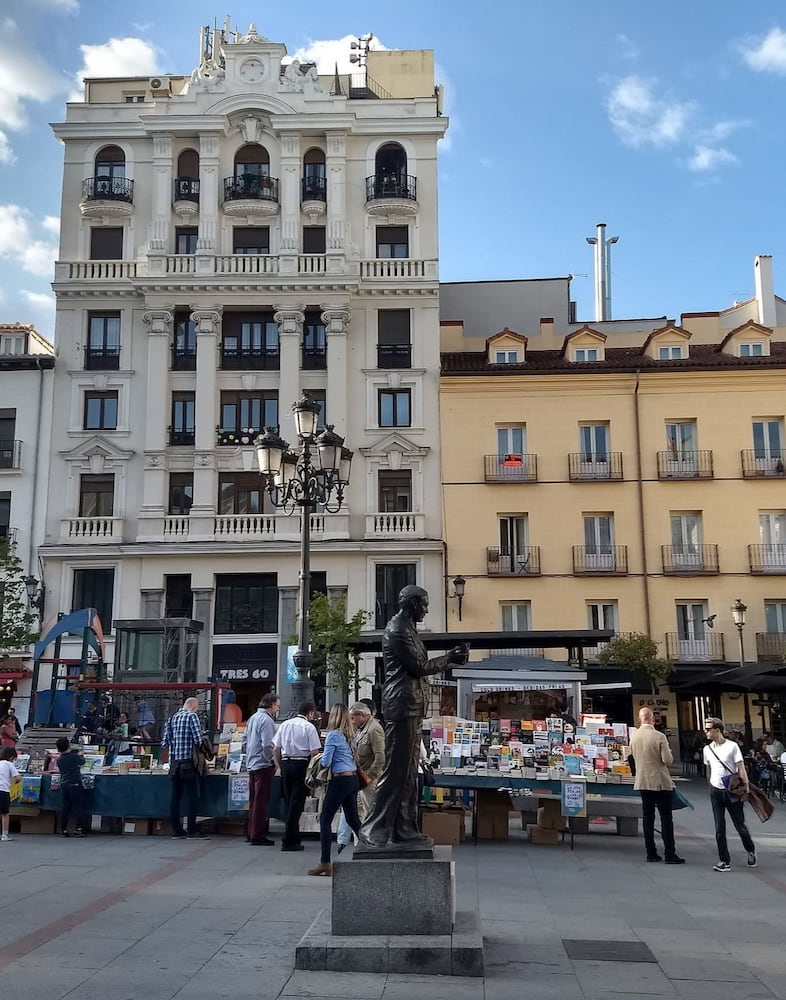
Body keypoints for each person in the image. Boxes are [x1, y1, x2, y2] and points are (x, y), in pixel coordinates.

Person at [359, 585, 467, 850]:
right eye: (424, 604)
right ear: (412, 604)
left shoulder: (408, 629)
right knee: (396, 770)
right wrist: (450, 658)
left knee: (408, 772)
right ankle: (374, 827)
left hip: (411, 705)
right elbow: (419, 667)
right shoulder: (397, 630)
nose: (427, 609)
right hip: (402, 705)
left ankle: (403, 829)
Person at [308, 704, 362, 877]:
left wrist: (320, 757)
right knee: (353, 819)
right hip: (353, 779)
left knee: (325, 819)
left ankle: (325, 862)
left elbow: (326, 762)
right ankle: (371, 848)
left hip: (340, 780)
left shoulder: (333, 735)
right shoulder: (350, 735)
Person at [629, 707, 684, 864]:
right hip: (660, 781)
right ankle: (669, 853)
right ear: (652, 719)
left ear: (640, 719)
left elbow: (632, 756)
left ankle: (650, 852)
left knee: (648, 817)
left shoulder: (634, 737)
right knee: (666, 817)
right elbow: (668, 760)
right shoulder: (659, 736)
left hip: (642, 780)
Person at [702, 717, 756, 872]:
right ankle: (724, 861)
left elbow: (741, 768)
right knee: (719, 827)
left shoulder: (732, 747)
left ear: (717, 730)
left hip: (732, 791)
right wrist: (710, 786)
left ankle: (750, 849)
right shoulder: (707, 749)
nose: (705, 732)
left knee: (740, 825)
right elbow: (709, 769)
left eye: (708, 729)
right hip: (716, 791)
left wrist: (745, 788)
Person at [336, 702, 386, 854]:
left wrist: (371, 776)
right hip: (359, 775)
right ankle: (358, 842)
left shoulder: (374, 729)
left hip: (368, 778)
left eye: (353, 717)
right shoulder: (361, 729)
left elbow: (380, 756)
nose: (351, 721)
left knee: (368, 810)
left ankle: (369, 843)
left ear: (362, 716)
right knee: (356, 810)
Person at [273, 699, 321, 852]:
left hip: (286, 764)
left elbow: (276, 749)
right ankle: (290, 839)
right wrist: (314, 773)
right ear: (310, 712)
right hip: (301, 765)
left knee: (288, 802)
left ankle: (292, 836)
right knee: (297, 803)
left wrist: (280, 766)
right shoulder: (309, 727)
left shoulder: (285, 724)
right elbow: (314, 753)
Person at [162, 697, 208, 840]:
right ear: (193, 707)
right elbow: (198, 739)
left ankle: (177, 830)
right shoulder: (192, 716)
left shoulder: (172, 718)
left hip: (175, 763)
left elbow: (165, 743)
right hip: (189, 762)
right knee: (192, 796)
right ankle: (192, 830)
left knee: (175, 797)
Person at [243, 692, 280, 846]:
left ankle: (251, 831)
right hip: (262, 765)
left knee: (253, 800)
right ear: (271, 705)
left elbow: (245, 739)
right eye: (277, 706)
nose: (278, 709)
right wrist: (272, 761)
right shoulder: (267, 720)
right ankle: (257, 834)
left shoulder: (253, 718)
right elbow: (267, 744)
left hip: (252, 762)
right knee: (260, 801)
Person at [56, 736, 87, 837]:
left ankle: (63, 829)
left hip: (64, 784)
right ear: (68, 745)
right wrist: (81, 754)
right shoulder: (74, 756)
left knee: (65, 807)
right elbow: (82, 762)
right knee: (78, 805)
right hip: (75, 783)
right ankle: (79, 828)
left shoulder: (59, 759)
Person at [0, 746, 19, 842]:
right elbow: (17, 777)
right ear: (12, 757)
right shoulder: (9, 764)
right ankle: (4, 834)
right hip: (3, 790)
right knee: (5, 813)